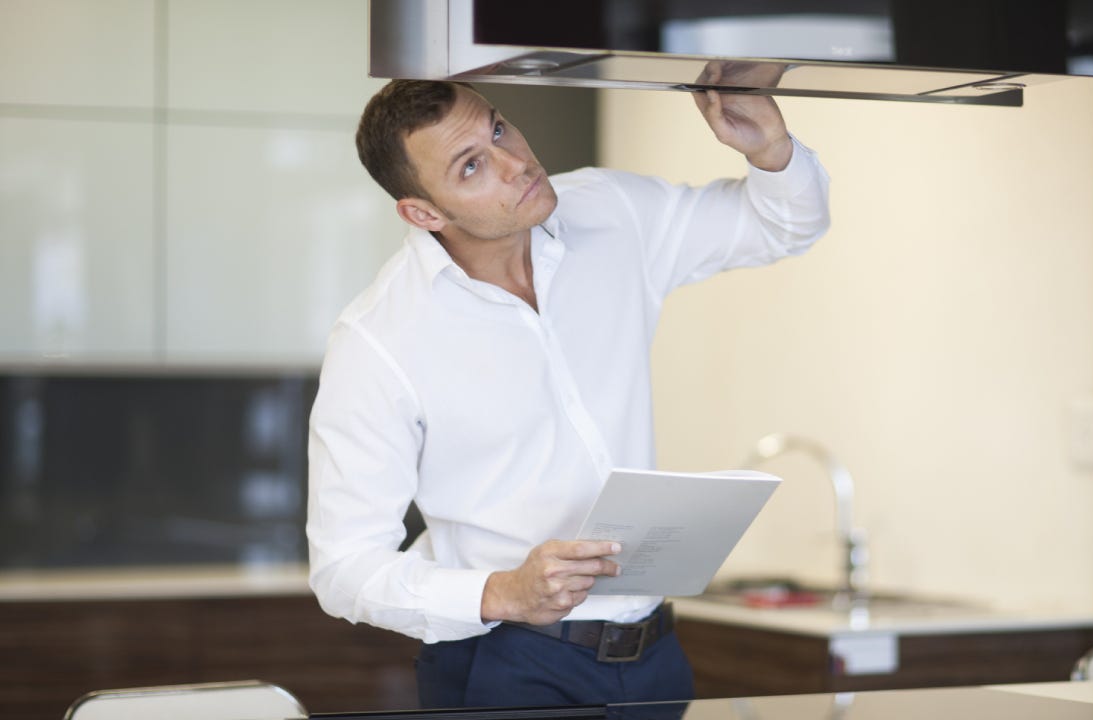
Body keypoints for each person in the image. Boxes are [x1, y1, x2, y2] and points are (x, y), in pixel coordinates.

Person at [307, 65, 830, 710]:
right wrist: (502, 591)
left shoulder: (610, 212)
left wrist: (768, 148)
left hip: (654, 657)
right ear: (422, 212)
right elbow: (344, 568)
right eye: (471, 166)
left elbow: (781, 225)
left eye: (499, 129)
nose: (514, 163)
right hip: (504, 660)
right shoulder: (377, 340)